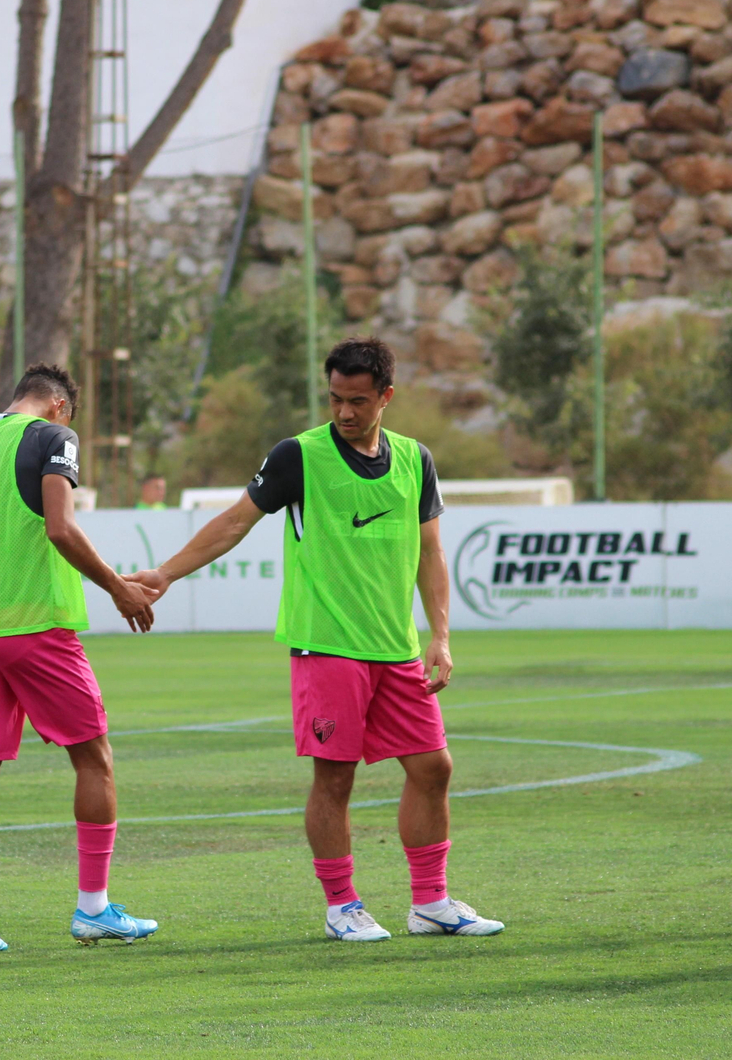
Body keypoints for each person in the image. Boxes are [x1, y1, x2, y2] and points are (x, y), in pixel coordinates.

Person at [128, 336, 504, 941]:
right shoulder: (297, 456)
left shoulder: (415, 459)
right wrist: (165, 573)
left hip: (397, 649)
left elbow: (431, 553)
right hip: (326, 646)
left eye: (358, 400)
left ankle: (430, 901)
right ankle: (342, 906)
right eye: (335, 399)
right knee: (335, 778)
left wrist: (440, 636)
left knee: (434, 768)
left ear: (386, 396)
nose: (345, 412)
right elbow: (234, 522)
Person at [0, 362, 162, 955]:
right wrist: (117, 587)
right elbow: (60, 528)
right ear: (60, 407)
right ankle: (93, 909)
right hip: (35, 627)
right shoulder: (56, 438)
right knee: (94, 758)